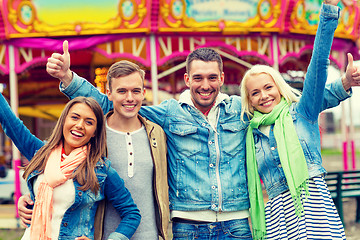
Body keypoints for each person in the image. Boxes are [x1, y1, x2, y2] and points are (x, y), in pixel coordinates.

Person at [45, 3, 353, 238]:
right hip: (188, 224)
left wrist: (343, 85)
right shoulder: (168, 113)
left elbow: (301, 105)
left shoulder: (241, 109)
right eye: (197, 78)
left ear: (221, 77)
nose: (205, 85)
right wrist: (70, 79)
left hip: (237, 223)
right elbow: (117, 103)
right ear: (186, 79)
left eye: (211, 77)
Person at [18, 60, 169, 240]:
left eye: (136, 91)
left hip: (150, 235)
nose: (129, 97)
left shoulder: (158, 134)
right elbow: (64, 171)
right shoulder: (94, 135)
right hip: (99, 234)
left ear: (144, 93)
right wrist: (33, 197)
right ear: (108, 93)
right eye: (121, 91)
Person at [240, 0, 352, 239]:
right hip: (278, 215)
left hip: (313, 206)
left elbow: (318, 64)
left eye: (268, 87)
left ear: (279, 87)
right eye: (255, 93)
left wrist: (329, 12)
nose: (263, 96)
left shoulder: (302, 113)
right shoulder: (251, 132)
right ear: (248, 100)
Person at [0, 94, 141, 240]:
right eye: (75, 117)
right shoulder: (40, 153)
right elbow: (10, 123)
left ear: (94, 132)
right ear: (63, 121)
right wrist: (27, 201)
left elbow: (131, 214)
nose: (80, 125)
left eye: (89, 122)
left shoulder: (100, 170)